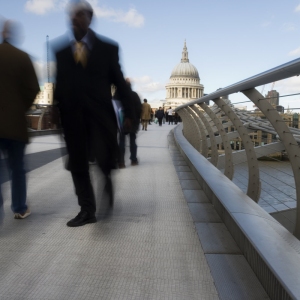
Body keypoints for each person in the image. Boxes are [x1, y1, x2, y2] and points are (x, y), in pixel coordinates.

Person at [53, 1, 134, 227]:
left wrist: (128, 113)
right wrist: (54, 108)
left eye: (79, 16)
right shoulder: (61, 52)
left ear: (89, 18)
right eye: (72, 16)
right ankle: (87, 210)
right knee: (77, 165)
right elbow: (59, 84)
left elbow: (119, 82)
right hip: (72, 118)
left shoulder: (108, 49)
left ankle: (107, 180)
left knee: (103, 157)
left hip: (100, 117)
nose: (74, 19)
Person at [0, 20, 40, 220]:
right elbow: (34, 89)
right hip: (15, 125)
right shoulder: (22, 57)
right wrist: (19, 107)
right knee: (17, 169)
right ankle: (19, 207)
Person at [117, 78, 141, 168]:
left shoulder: (118, 95)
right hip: (133, 121)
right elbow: (139, 109)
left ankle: (121, 162)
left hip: (121, 121)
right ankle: (133, 160)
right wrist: (136, 119)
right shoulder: (134, 95)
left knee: (121, 141)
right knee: (132, 141)